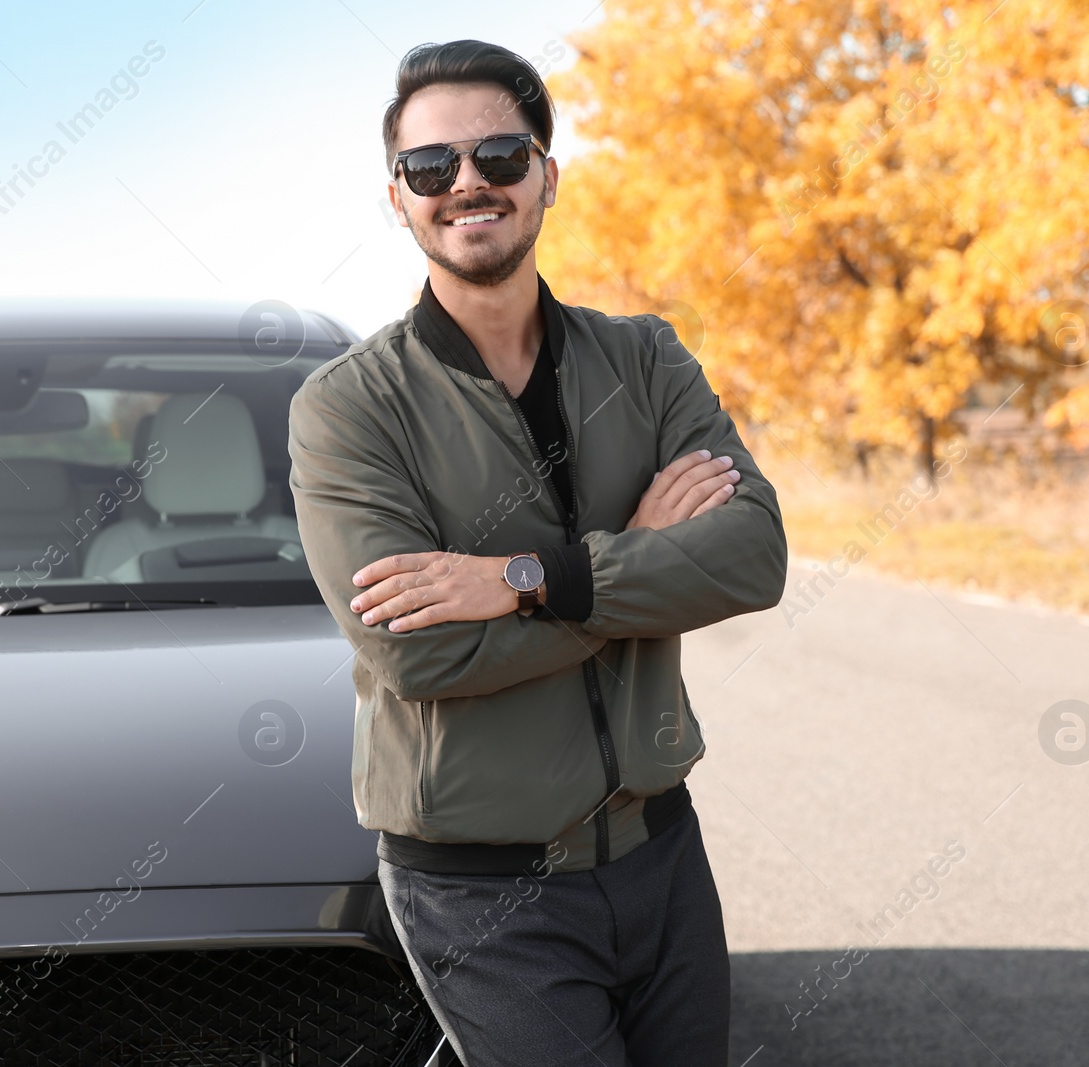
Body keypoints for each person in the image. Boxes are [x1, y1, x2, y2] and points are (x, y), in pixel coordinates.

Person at [287, 38, 787, 1067]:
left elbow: (753, 555)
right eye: (434, 168)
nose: (468, 182)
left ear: (546, 176)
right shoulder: (347, 408)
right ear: (400, 198)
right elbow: (417, 657)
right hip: (478, 887)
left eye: (500, 155)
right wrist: (644, 562)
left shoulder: (645, 358)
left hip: (661, 853)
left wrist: (519, 580)